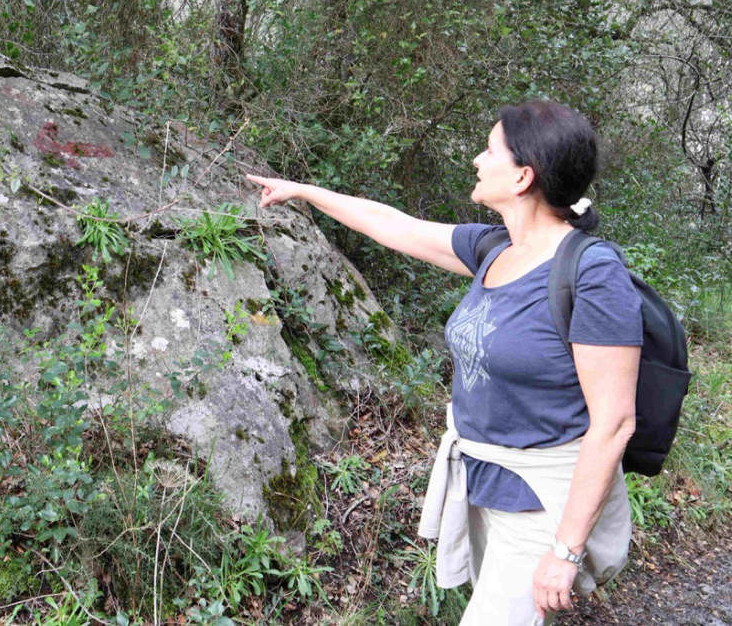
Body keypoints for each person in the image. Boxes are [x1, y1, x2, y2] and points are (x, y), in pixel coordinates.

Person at [245, 99, 641, 625]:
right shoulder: (495, 248)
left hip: (542, 504)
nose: (476, 159)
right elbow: (395, 226)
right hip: (484, 485)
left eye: (489, 149)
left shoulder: (592, 274)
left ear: (523, 176)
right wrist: (303, 192)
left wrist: (566, 550)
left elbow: (614, 422)